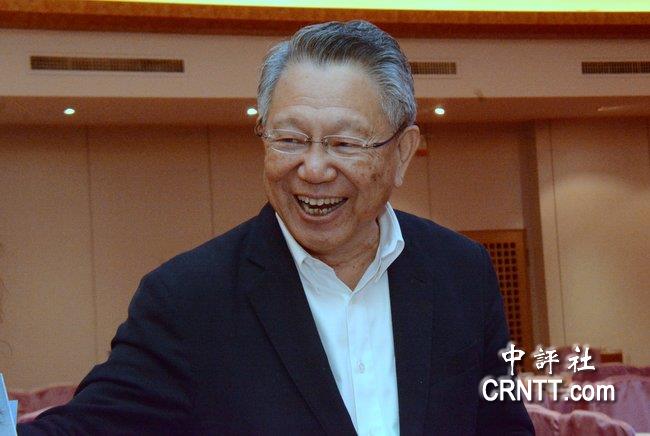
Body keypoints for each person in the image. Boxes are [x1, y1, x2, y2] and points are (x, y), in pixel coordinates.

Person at [18, 20, 533, 435]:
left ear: (401, 153)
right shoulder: (188, 299)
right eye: (289, 140)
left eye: (344, 143)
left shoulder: (461, 272)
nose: (314, 169)